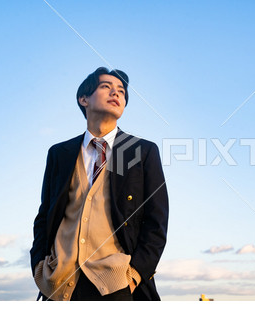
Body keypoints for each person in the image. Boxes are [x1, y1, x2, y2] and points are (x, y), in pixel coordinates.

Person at [30, 67, 169, 301]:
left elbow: (157, 220)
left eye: (122, 91)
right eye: (106, 87)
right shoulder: (59, 154)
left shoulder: (141, 151)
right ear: (83, 99)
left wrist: (134, 275)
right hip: (60, 284)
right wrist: (39, 266)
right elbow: (45, 215)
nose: (116, 93)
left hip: (117, 284)